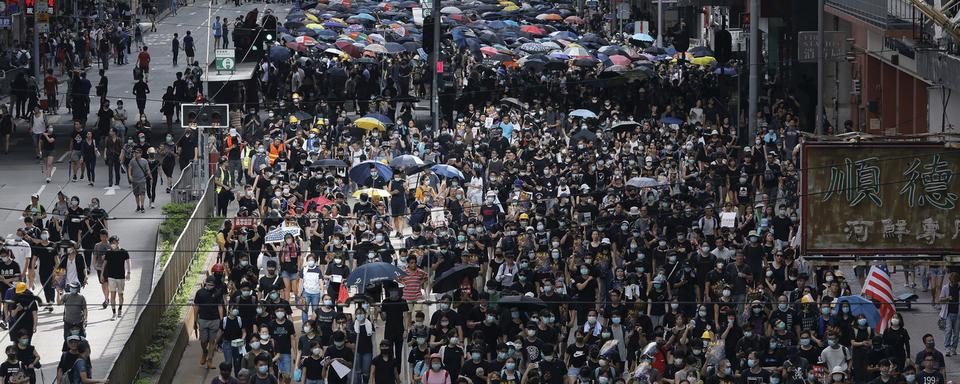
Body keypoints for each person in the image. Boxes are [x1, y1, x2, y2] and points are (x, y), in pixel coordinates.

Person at [195, 276, 224, 369]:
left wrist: (221, 319)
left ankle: (210, 360)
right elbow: (196, 306)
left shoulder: (217, 293)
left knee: (212, 341)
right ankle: (204, 352)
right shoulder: (200, 293)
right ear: (205, 283)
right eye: (208, 284)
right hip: (203, 319)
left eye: (212, 285)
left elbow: (220, 306)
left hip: (214, 319)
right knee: (203, 340)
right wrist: (195, 320)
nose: (210, 286)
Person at [100, 235, 130, 320]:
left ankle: (120, 309)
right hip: (111, 277)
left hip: (121, 277)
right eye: (111, 243)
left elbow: (128, 262)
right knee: (112, 295)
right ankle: (114, 313)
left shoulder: (124, 252)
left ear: (117, 242)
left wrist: (128, 272)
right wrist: (102, 274)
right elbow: (104, 263)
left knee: (121, 295)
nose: (112, 244)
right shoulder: (109, 252)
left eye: (114, 243)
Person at [940, 272, 960, 356]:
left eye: (956, 282)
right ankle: (947, 348)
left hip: (958, 314)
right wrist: (947, 298)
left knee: (956, 333)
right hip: (948, 313)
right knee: (948, 331)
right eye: (953, 282)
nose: (954, 284)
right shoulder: (945, 288)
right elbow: (940, 299)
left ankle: (953, 348)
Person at [127, 148, 152, 213]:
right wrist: (130, 176)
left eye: (137, 153)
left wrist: (151, 177)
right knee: (136, 194)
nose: (136, 154)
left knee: (142, 193)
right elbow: (129, 168)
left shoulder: (145, 161)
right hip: (134, 180)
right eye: (135, 152)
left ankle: (142, 206)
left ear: (141, 154)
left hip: (142, 180)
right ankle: (138, 206)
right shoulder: (132, 161)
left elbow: (148, 170)